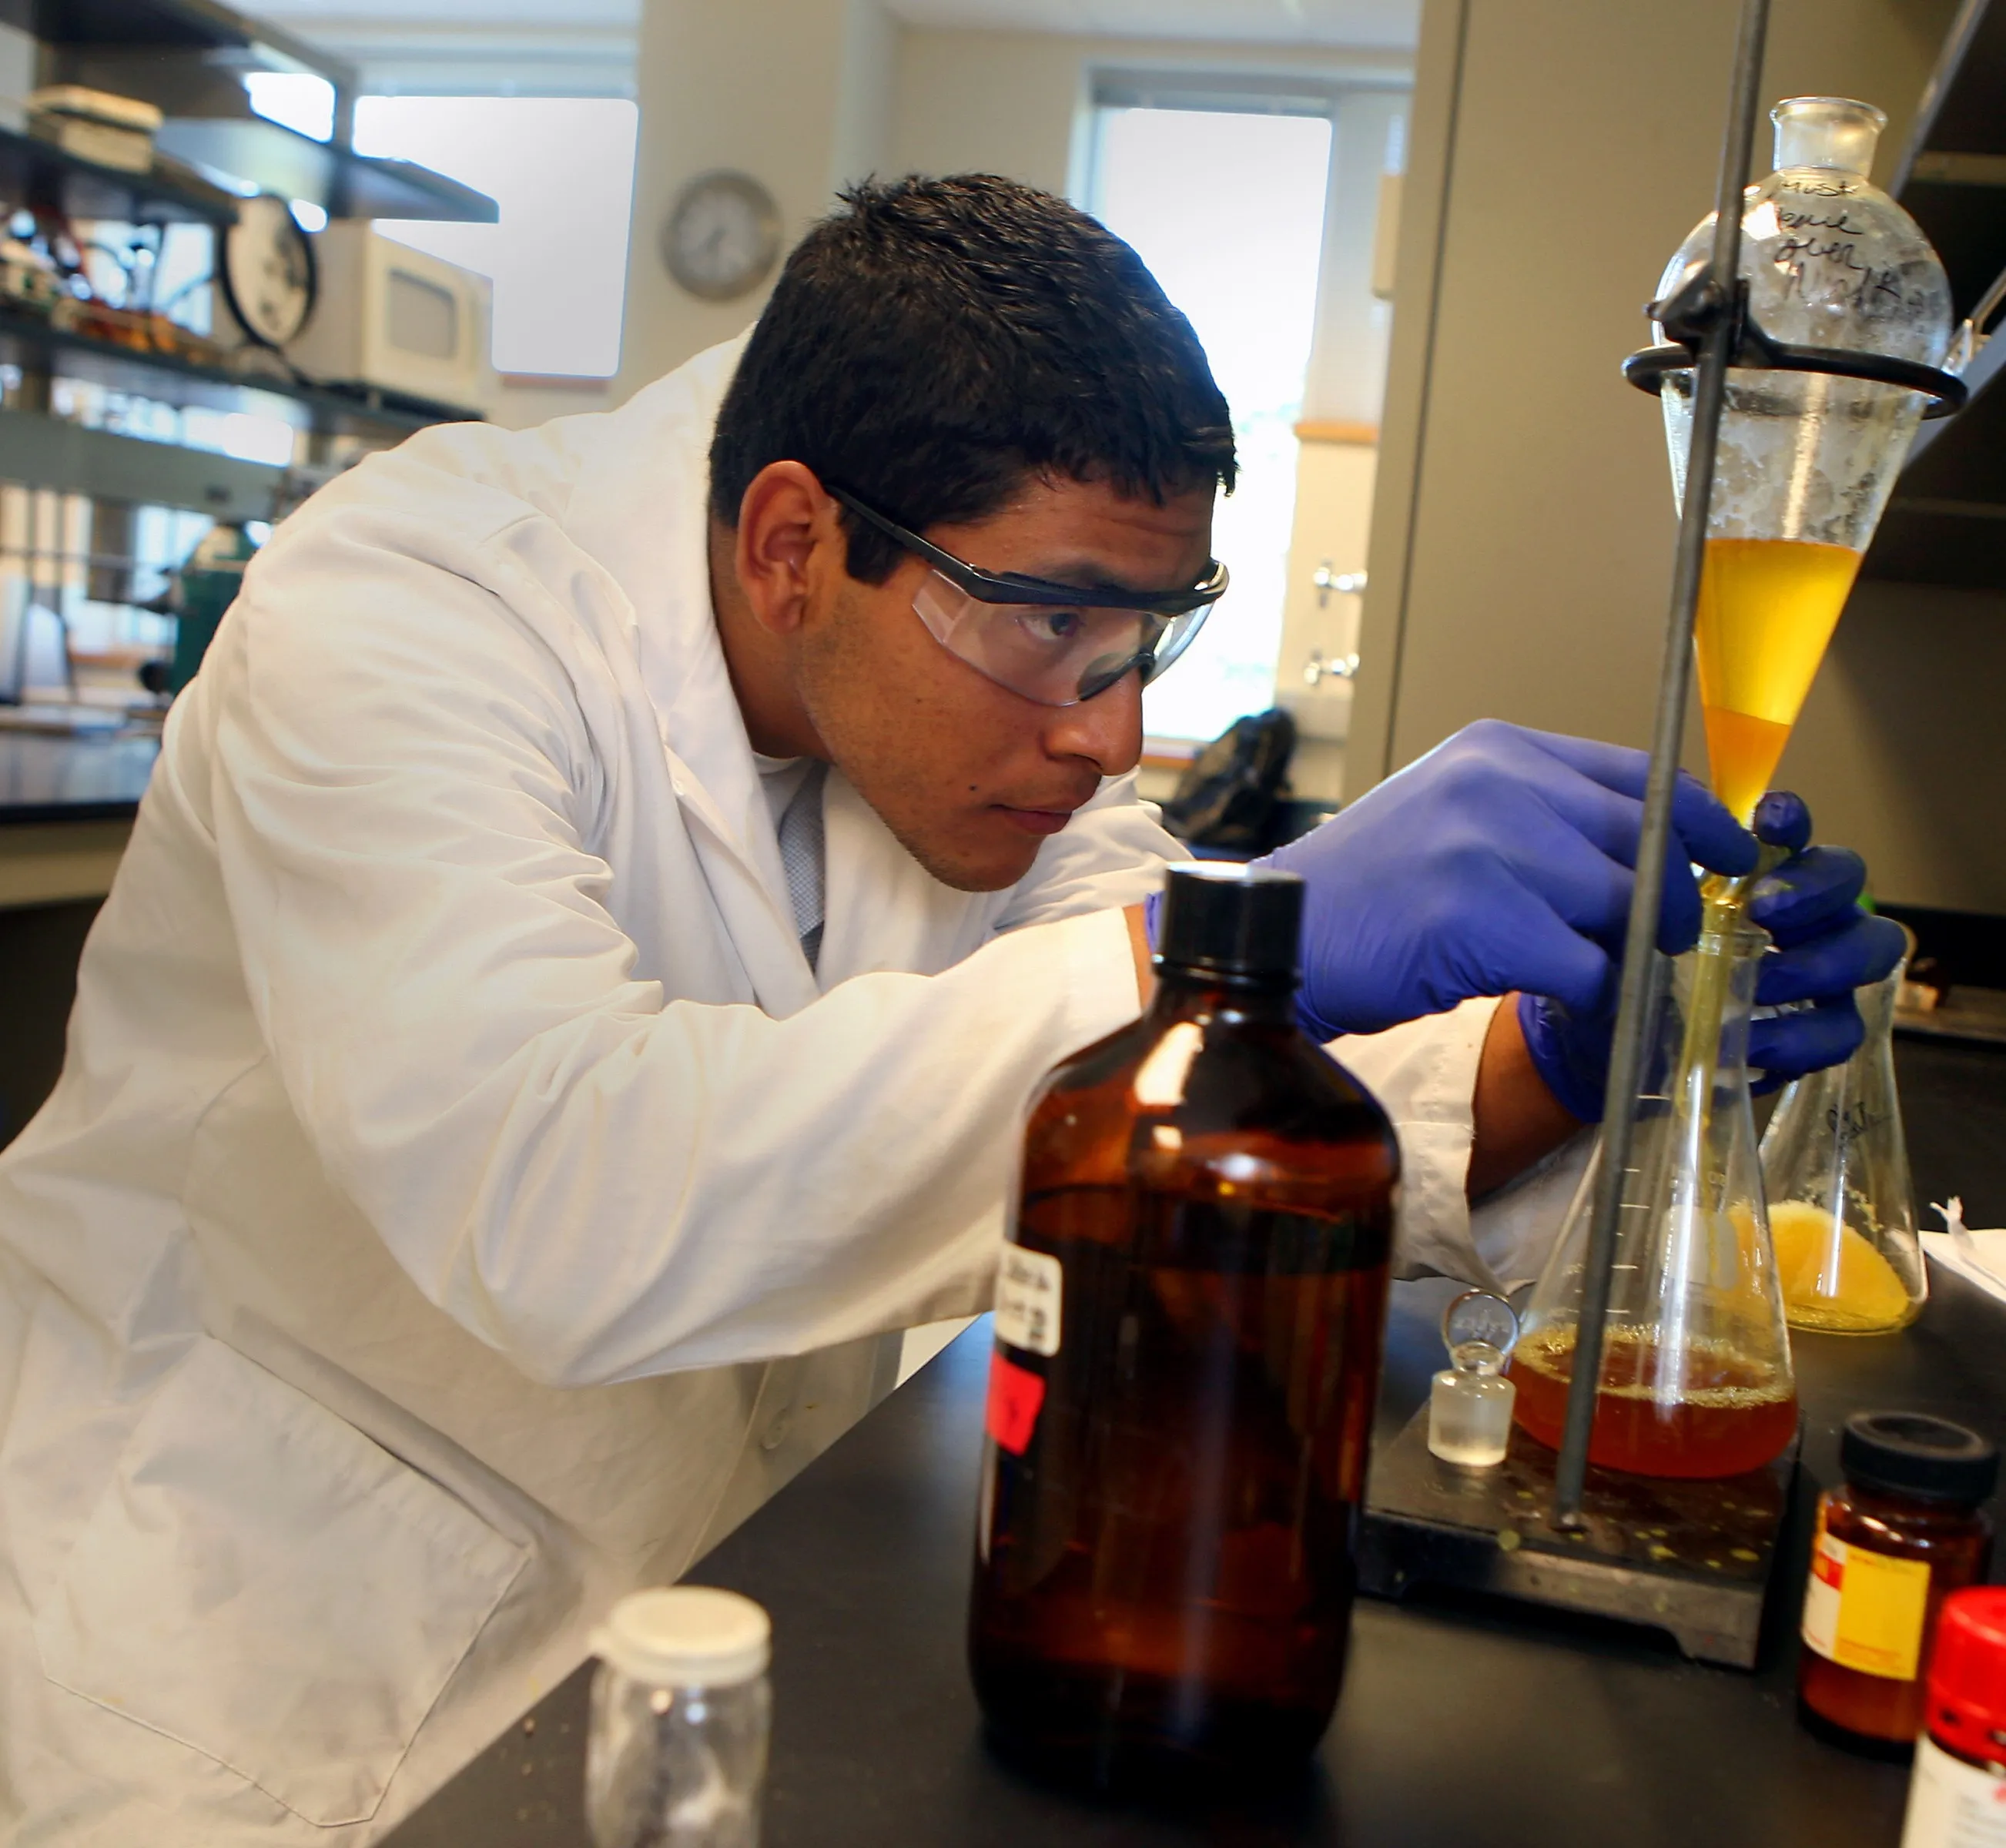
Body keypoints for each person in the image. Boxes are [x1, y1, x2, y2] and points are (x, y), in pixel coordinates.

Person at [0, 176, 1899, 1843]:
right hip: (238, 1645)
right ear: (791, 543)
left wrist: (1544, 1068)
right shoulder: (402, 617)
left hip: (684, 1613)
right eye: (1051, 628)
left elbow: (1141, 1065)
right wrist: (1225, 947)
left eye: (1145, 639)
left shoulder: (970, 726)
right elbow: (550, 1184)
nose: (1111, 729)